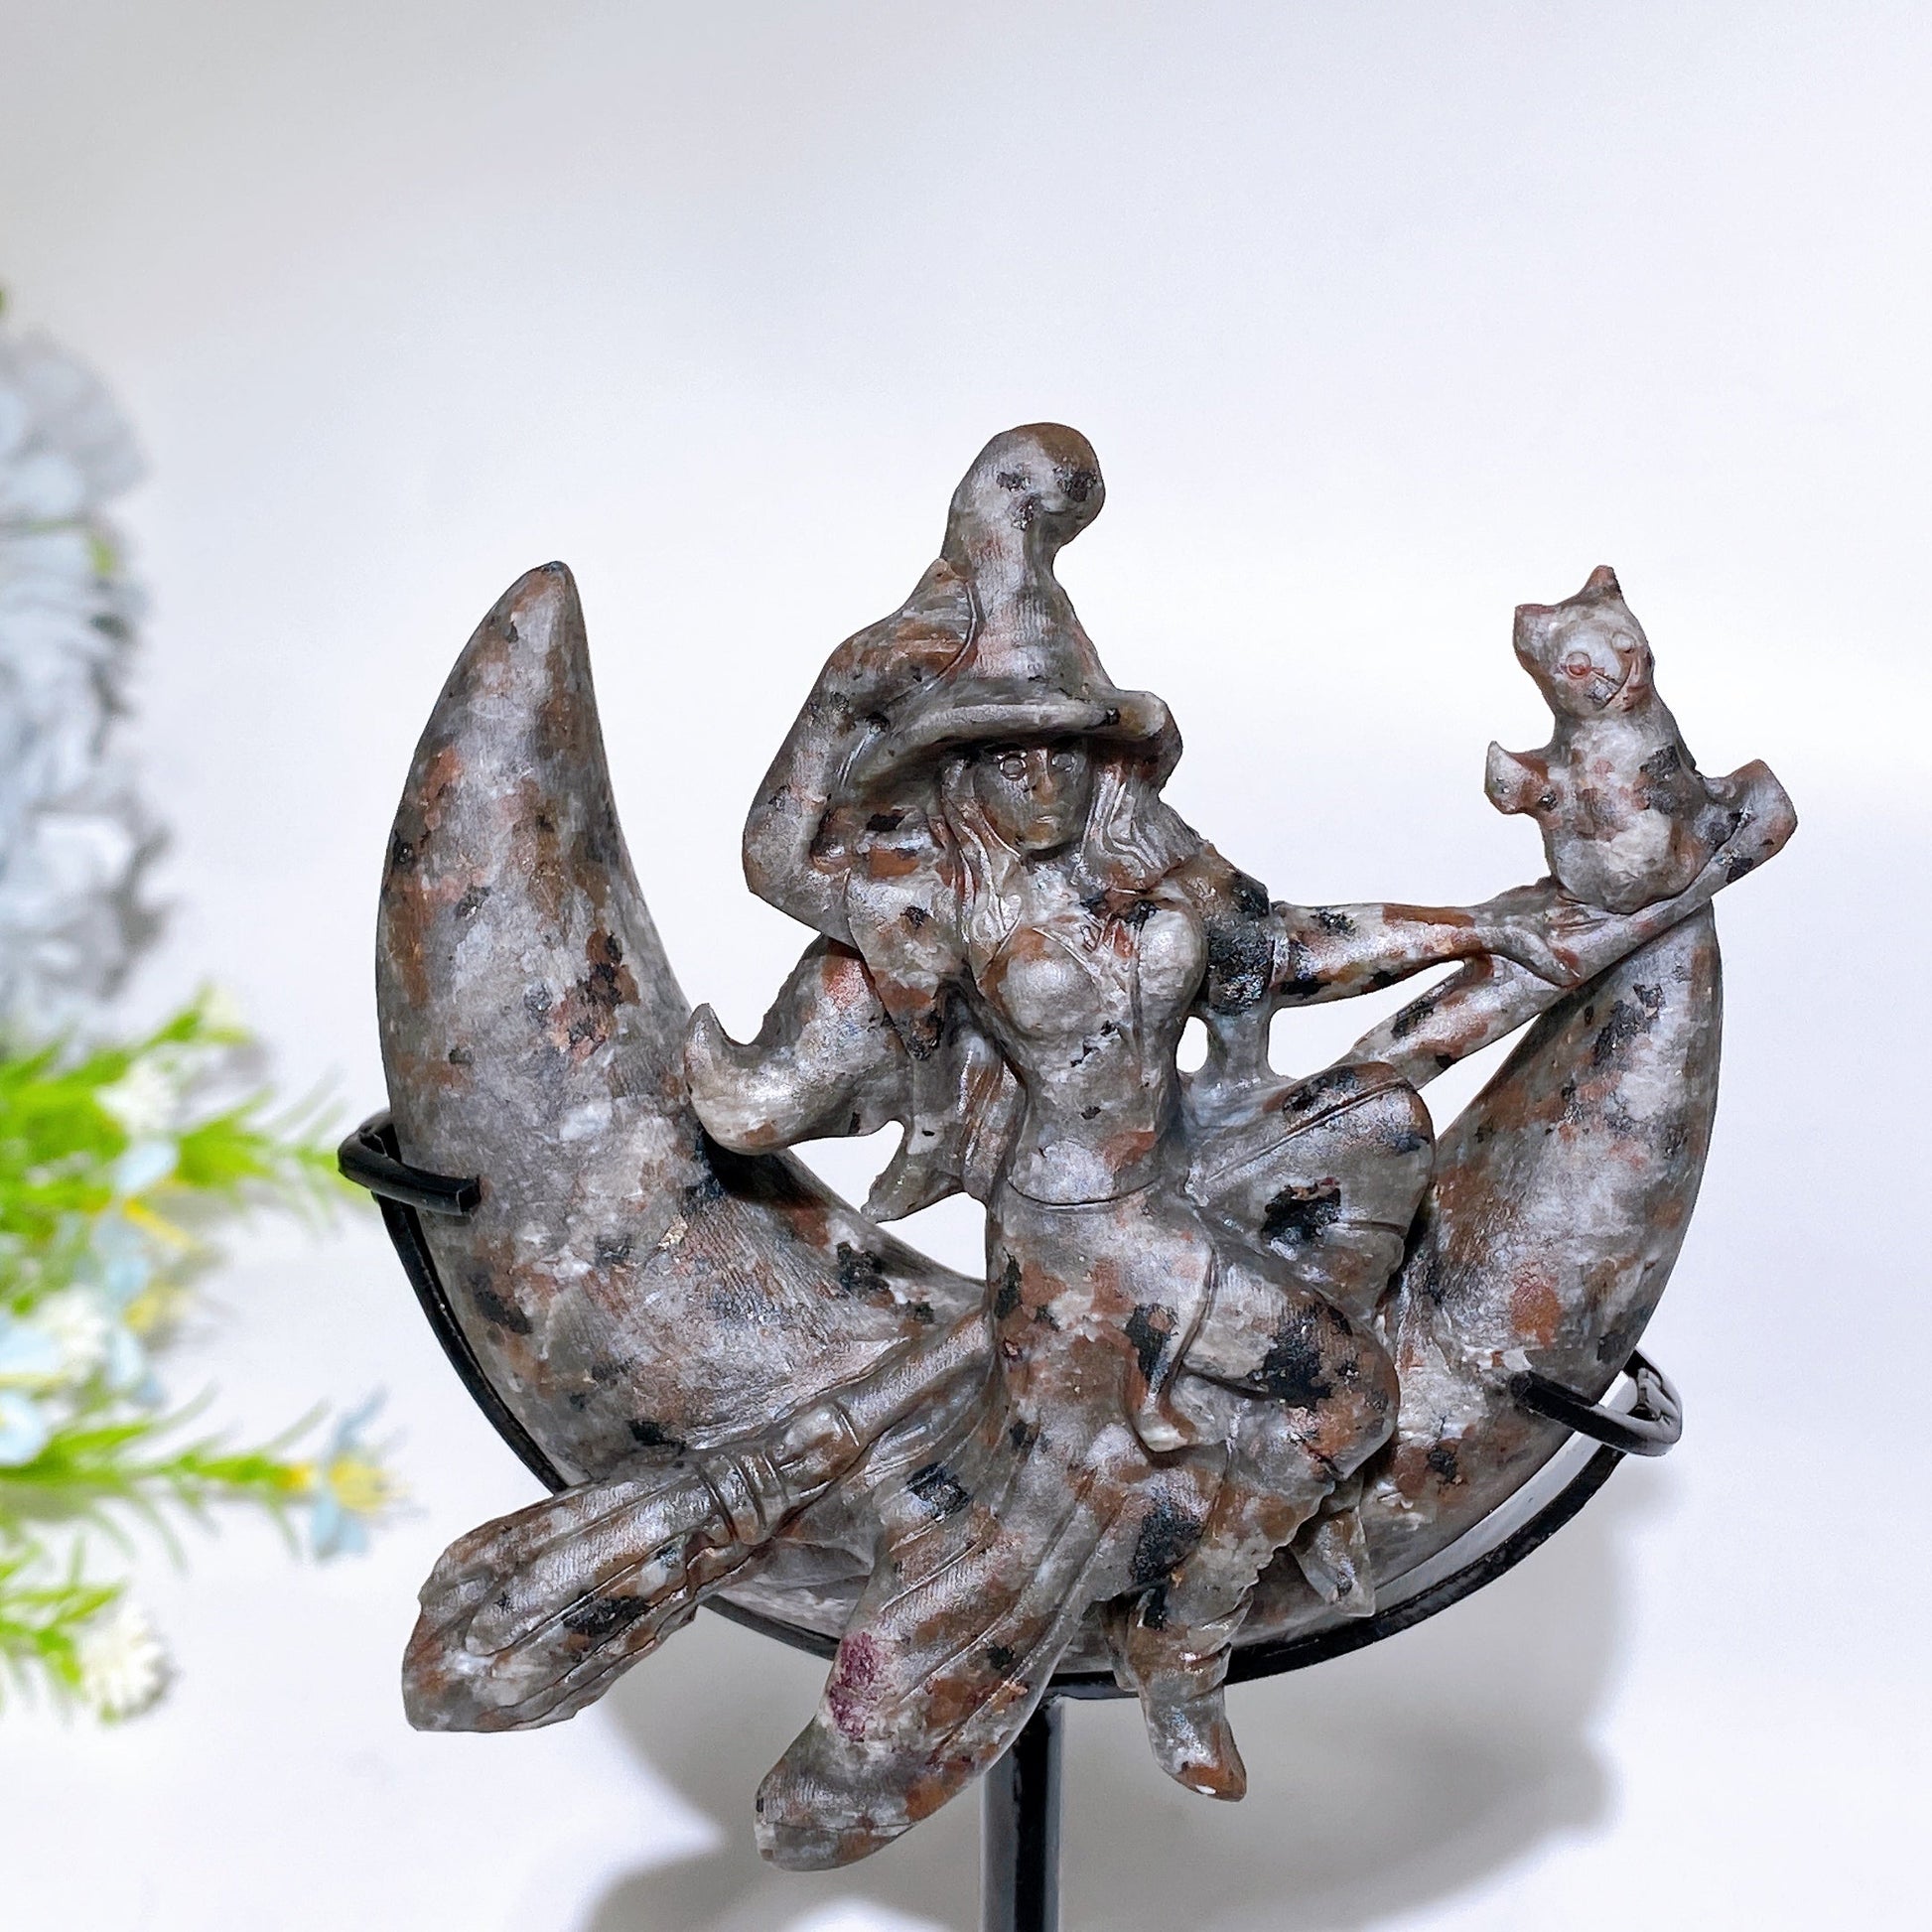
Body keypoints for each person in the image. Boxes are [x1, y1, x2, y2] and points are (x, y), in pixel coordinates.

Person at [686, 425, 1580, 1865]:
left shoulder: (1148, 855)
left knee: (1345, 1332)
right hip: (1067, 1236)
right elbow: (777, 857)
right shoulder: (933, 892)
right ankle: (1158, 1651)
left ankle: (1184, 1631)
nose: (1040, 771)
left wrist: (1472, 926)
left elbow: (1279, 944)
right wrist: (842, 688)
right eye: (1005, 747)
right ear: (957, 761)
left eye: (1065, 740)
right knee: (1207, 1450)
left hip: (1174, 1193)